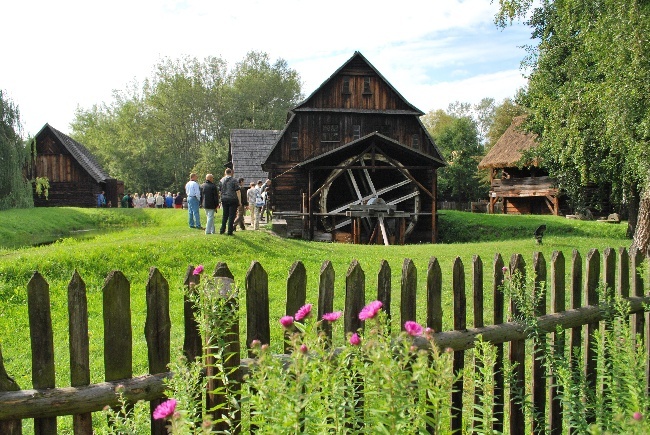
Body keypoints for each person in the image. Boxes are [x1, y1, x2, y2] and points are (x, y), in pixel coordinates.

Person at [218, 168, 239, 235]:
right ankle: (230, 231)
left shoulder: (221, 180)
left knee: (225, 215)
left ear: (225, 172)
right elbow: (238, 191)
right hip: (233, 199)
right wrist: (240, 201)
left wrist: (220, 199)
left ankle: (222, 229)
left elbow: (220, 191)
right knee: (231, 215)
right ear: (231, 173)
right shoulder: (234, 180)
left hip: (224, 199)